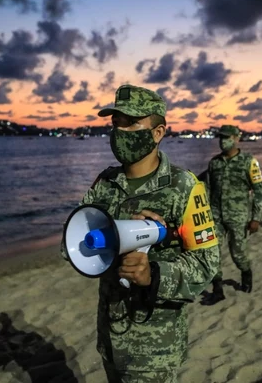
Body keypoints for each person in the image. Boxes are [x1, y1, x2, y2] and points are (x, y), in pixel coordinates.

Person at [60, 84, 220, 382]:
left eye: (132, 123)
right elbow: (70, 241)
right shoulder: (104, 183)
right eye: (115, 123)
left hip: (155, 347)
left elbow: (206, 264)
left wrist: (153, 275)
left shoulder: (184, 187)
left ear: (158, 132)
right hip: (110, 336)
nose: (121, 132)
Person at [201, 125, 262, 305]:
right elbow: (207, 189)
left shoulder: (249, 162)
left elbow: (259, 192)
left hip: (238, 217)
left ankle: (246, 273)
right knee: (211, 252)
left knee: (238, 254)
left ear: (237, 138)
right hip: (215, 216)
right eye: (220, 137)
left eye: (227, 137)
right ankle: (217, 289)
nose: (223, 141)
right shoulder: (214, 163)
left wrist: (255, 218)